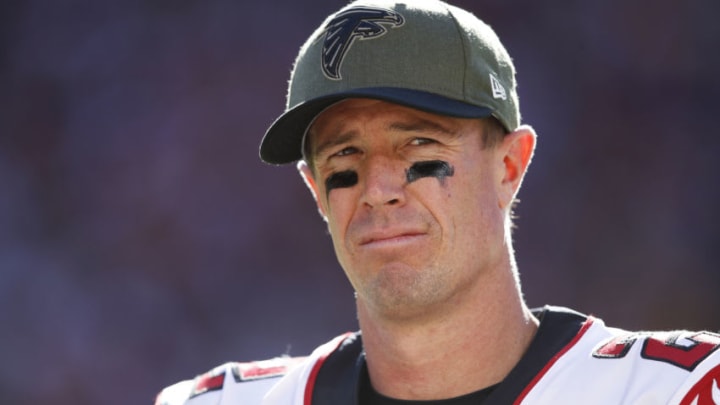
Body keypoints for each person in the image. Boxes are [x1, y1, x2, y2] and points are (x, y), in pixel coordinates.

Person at [156, 1, 720, 403]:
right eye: (345, 162)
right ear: (315, 191)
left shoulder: (674, 391)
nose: (377, 190)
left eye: (418, 146)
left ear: (509, 166)